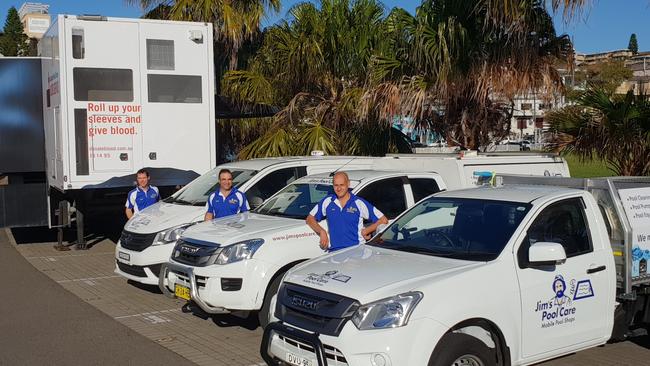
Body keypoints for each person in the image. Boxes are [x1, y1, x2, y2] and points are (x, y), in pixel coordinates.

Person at [306, 171, 388, 251]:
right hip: (334, 253)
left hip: (356, 251)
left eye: (342, 185)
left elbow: (383, 220)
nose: (338, 188)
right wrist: (322, 232)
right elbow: (310, 219)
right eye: (336, 185)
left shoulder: (358, 203)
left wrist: (366, 230)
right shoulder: (327, 201)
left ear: (348, 184)